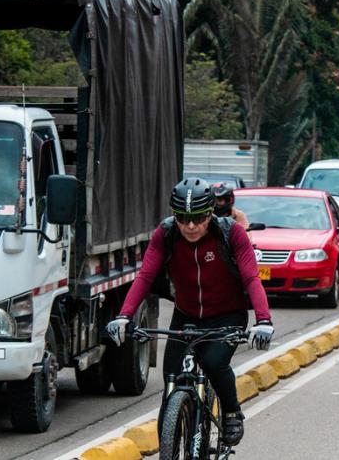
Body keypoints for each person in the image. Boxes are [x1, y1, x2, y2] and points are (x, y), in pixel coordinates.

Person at [107, 178, 273, 447]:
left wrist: (263, 321)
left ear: (210, 214)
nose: (191, 226)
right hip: (185, 316)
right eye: (183, 218)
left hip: (227, 315)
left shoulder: (232, 234)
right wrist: (124, 316)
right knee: (171, 380)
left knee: (212, 362)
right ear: (175, 216)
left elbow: (252, 277)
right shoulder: (166, 234)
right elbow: (146, 276)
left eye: (198, 217)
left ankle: (232, 413)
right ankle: (170, 446)